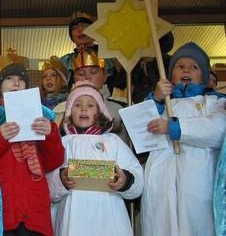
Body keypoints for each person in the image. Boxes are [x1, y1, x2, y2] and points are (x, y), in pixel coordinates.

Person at [0, 50, 63, 236]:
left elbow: (53, 162)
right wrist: (0, 137)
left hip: (35, 208)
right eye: (9, 78)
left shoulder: (42, 116)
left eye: (21, 79)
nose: (17, 82)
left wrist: (50, 135)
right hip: (3, 208)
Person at [142, 42, 226, 236]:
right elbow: (141, 131)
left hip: (198, 179)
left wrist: (175, 128)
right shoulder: (162, 104)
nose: (186, 69)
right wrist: (155, 98)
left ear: (204, 77)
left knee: (197, 223)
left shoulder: (214, 102)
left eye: (194, 67)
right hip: (161, 180)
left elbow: (218, 130)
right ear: (170, 76)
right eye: (180, 66)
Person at [47, 81, 143, 236]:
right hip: (73, 217)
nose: (83, 108)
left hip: (109, 217)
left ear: (99, 112)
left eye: (90, 105)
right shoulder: (62, 143)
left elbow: (137, 177)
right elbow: (47, 185)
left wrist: (125, 180)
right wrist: (61, 179)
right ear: (69, 112)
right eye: (77, 105)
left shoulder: (113, 142)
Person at [54, 49, 129, 145]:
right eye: (81, 74)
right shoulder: (59, 110)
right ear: (74, 79)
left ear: (105, 76)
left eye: (93, 72)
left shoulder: (122, 107)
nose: (87, 77)